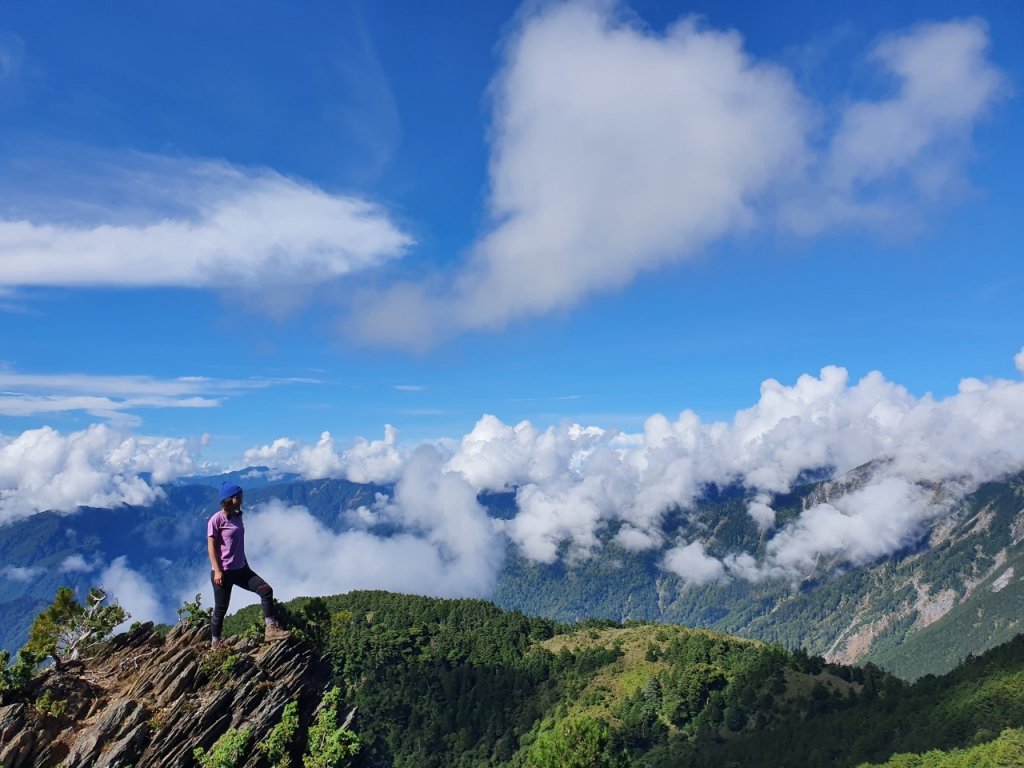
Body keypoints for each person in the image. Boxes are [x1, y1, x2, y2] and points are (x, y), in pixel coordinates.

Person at [207, 481, 289, 648]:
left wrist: (245, 563)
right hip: (223, 572)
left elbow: (237, 544)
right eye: (239, 495)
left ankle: (271, 629)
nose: (242, 498)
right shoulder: (216, 520)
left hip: (241, 569)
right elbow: (211, 547)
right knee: (221, 608)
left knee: (266, 590)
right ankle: (215, 643)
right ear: (231, 499)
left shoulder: (238, 517)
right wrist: (217, 570)